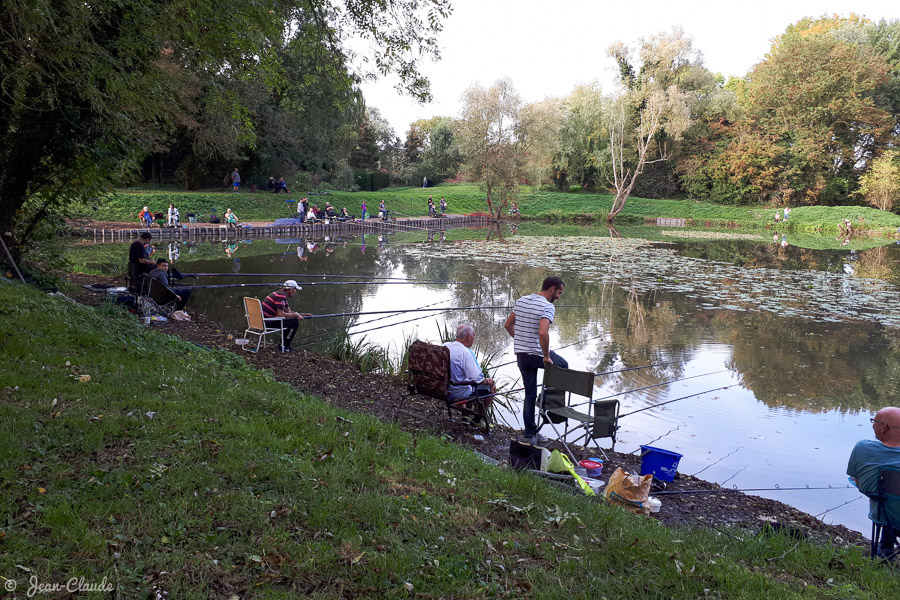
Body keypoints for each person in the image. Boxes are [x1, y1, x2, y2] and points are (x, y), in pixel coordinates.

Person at [504, 276, 569, 443]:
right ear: (552, 289)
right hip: (537, 355)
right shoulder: (547, 306)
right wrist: (546, 356)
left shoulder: (522, 300)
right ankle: (546, 399)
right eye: (559, 293)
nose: (559, 297)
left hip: (521, 356)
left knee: (529, 394)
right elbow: (543, 333)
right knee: (563, 365)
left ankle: (530, 434)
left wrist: (520, 341)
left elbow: (508, 325)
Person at [847, 407, 900, 558]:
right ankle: (886, 549)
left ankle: (885, 551)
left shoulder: (862, 448)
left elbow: (861, 485)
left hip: (885, 517)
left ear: (884, 427)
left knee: (887, 500)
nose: (872, 425)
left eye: (874, 421)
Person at [444, 324, 496, 402]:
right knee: (492, 387)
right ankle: (480, 413)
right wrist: (487, 381)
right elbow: (477, 379)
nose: (474, 338)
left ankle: (464, 411)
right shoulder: (466, 352)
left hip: (441, 388)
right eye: (473, 335)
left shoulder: (444, 346)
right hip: (456, 392)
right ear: (469, 337)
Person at [261, 280, 310, 352]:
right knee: (294, 323)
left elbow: (289, 312)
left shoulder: (280, 294)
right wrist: (295, 315)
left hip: (264, 320)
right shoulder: (281, 296)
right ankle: (284, 346)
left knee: (291, 321)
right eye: (294, 289)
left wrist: (301, 314)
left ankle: (283, 345)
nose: (295, 292)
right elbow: (280, 314)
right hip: (268, 322)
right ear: (290, 290)